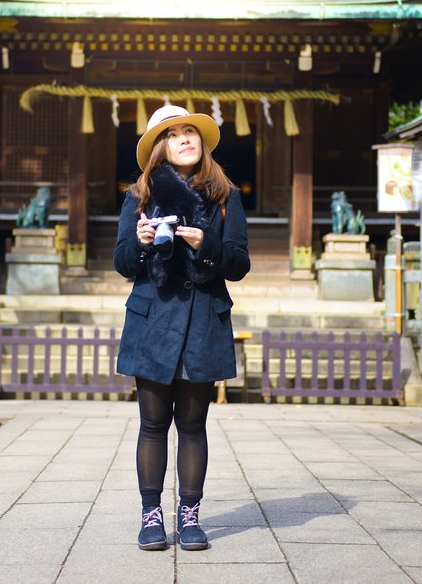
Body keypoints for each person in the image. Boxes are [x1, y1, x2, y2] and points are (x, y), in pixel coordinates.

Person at [114, 105, 250, 551]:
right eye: (174, 134)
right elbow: (121, 262)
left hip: (202, 320)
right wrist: (141, 241)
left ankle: (189, 516)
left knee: (193, 424)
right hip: (153, 318)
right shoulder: (138, 196)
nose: (186, 139)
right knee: (152, 423)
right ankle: (150, 515)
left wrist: (204, 243)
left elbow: (239, 263)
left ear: (203, 143)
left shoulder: (226, 196)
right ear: (161, 147)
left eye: (192, 132)